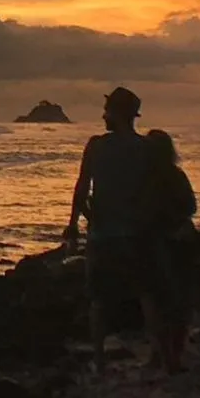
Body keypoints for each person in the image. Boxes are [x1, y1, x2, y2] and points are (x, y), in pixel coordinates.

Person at [62, 86, 167, 373]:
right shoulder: (147, 149)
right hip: (137, 233)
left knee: (99, 299)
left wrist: (74, 223)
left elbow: (82, 187)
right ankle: (157, 354)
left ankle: (99, 360)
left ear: (116, 114)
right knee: (147, 294)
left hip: (103, 234)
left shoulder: (96, 146)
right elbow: (155, 191)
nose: (103, 116)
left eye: (107, 110)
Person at [143, 128, 197, 374]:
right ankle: (170, 355)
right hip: (177, 241)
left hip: (158, 242)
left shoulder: (145, 180)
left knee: (157, 302)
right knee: (176, 302)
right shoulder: (176, 175)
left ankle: (163, 355)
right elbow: (190, 207)